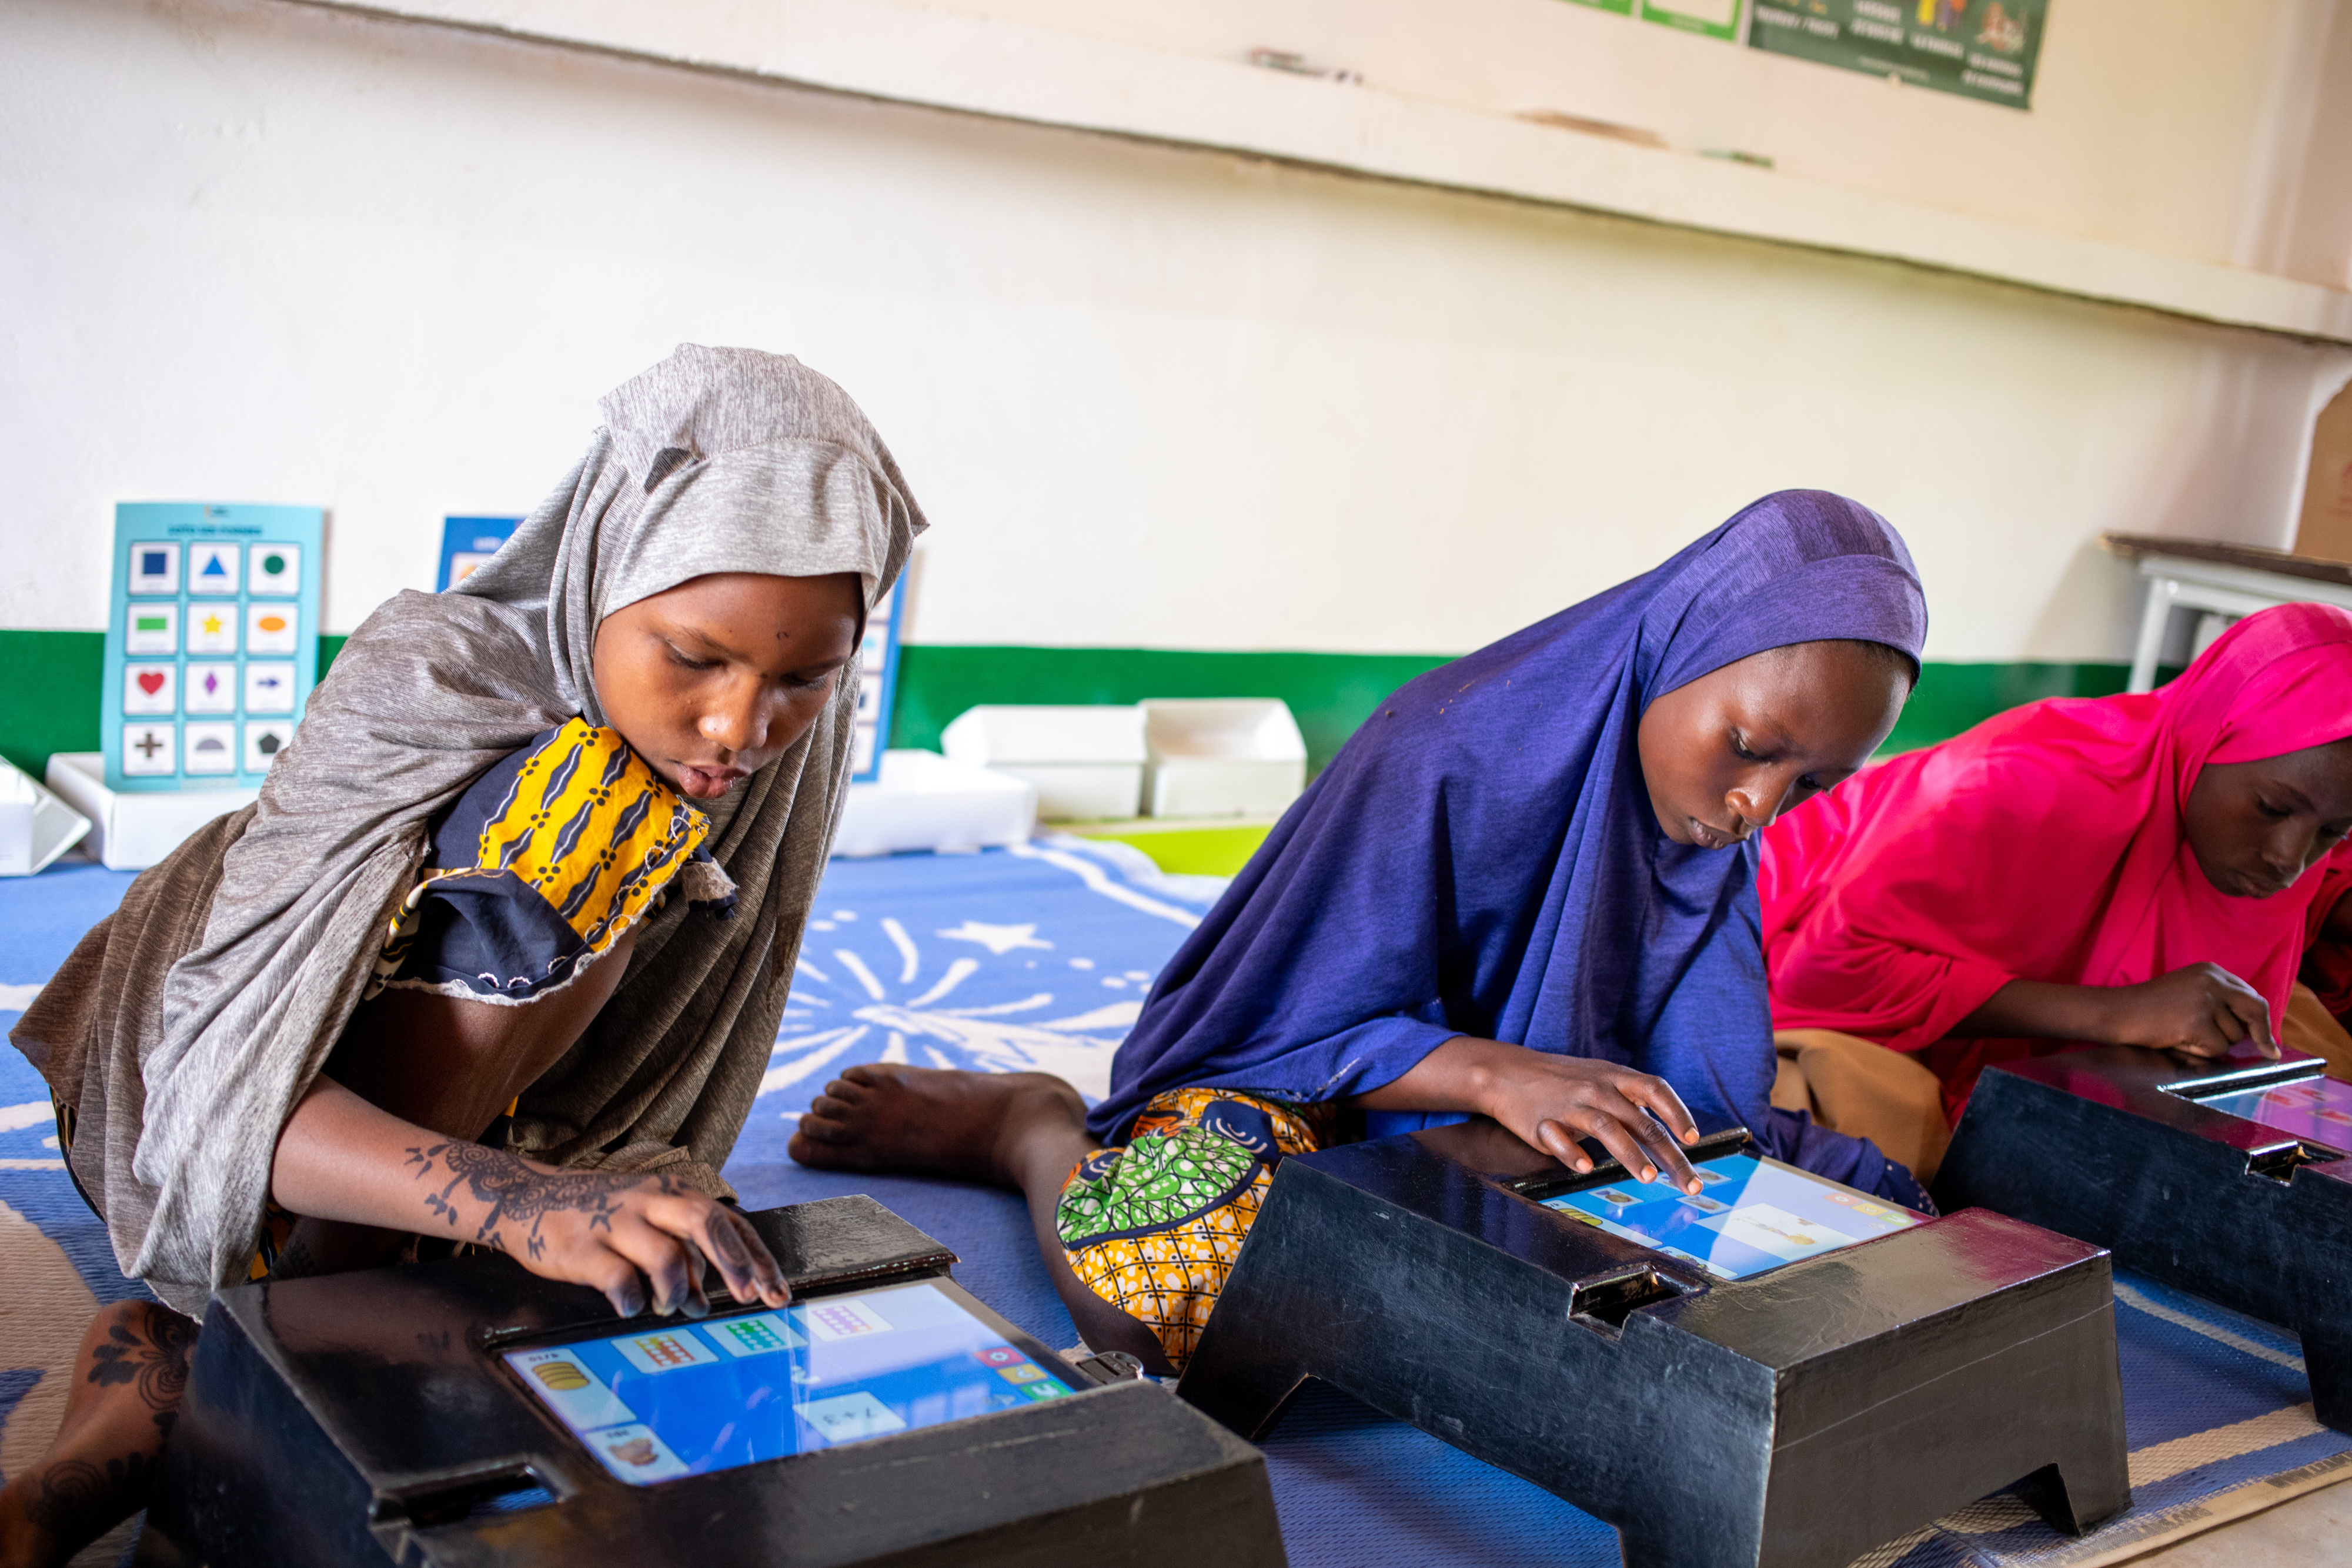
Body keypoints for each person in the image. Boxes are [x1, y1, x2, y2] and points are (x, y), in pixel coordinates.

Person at [0, 345, 924, 1566]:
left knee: (670, 1292)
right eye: (694, 657)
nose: (739, 729)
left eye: (804, 677)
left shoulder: (774, 740)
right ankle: (302, 1324)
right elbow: (208, 1091)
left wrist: (577, 1194)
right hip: (187, 1104)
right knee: (595, 813)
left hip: (464, 1128)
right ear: (605, 565)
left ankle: (215, 1374)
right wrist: (519, 1206)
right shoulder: (429, 674)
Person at [791, 490, 1932, 1375]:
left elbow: (1698, 1089)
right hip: (1327, 1099)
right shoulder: (1445, 748)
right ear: (1678, 648)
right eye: (1747, 745)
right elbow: (1270, 1017)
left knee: (1846, 1231)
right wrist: (1490, 1070)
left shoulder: (1705, 827)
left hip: (1525, 1134)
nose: (1756, 808)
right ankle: (1030, 1129)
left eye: (1812, 781)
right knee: (1160, 1290)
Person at [1760, 601, 2352, 1181]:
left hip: (2000, 1004)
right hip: (1791, 918)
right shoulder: (2027, 785)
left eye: (2331, 832)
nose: (2289, 859)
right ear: (2209, 737)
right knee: (1875, 1142)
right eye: (2271, 808)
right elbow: (1824, 969)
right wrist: (2120, 1014)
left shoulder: (2291, 819)